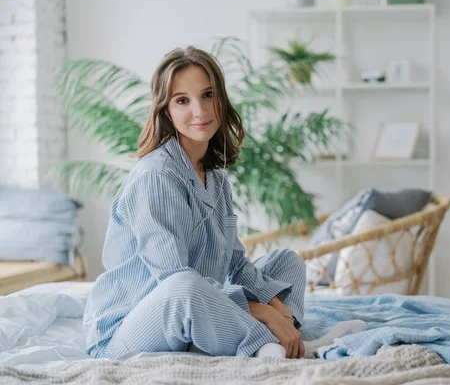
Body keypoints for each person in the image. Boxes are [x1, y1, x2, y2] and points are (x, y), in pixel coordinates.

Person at [82, 46, 365, 361]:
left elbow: (236, 262)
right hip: (126, 331)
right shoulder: (157, 176)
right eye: (182, 100)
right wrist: (259, 310)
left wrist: (276, 308)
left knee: (288, 261)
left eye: (208, 95)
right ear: (166, 111)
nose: (200, 112)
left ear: (221, 99)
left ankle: (285, 342)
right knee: (184, 287)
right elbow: (173, 280)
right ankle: (270, 346)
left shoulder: (214, 177)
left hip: (196, 309)